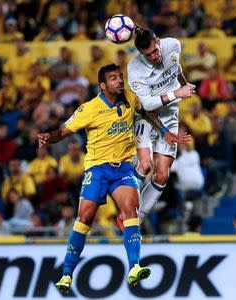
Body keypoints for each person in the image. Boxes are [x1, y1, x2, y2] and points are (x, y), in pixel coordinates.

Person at [37, 64, 190, 293]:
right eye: (113, 78)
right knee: (84, 219)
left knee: (131, 213)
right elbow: (64, 132)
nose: (119, 81)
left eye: (120, 76)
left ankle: (135, 267)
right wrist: (48, 137)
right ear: (103, 85)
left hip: (123, 170)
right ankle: (67, 274)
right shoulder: (89, 109)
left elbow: (146, 112)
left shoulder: (129, 96)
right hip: (97, 170)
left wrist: (164, 131)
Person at [126, 27, 195, 225]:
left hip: (170, 114)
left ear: (158, 40)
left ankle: (135, 220)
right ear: (140, 53)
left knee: (163, 175)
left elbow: (176, 68)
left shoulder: (173, 44)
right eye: (148, 54)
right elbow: (147, 105)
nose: (155, 56)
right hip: (145, 117)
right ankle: (125, 202)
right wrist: (177, 93)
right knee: (145, 164)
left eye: (155, 50)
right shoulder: (135, 69)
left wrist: (185, 84)